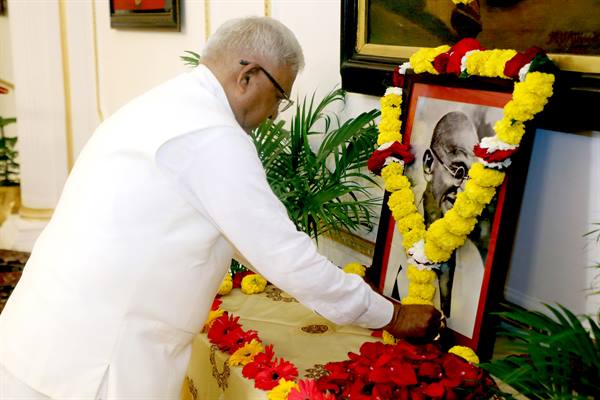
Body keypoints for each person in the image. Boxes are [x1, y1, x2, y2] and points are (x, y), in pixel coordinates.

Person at [0, 17, 441, 399]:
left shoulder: (165, 102)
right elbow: (284, 257)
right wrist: (394, 315)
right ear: (247, 75)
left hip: (43, 336)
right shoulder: (211, 135)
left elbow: (245, 239)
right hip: (93, 365)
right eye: (280, 96)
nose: (275, 115)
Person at [387, 110, 486, 339]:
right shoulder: (398, 223)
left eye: (471, 179)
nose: (463, 189)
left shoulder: (472, 257)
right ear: (429, 164)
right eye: (458, 170)